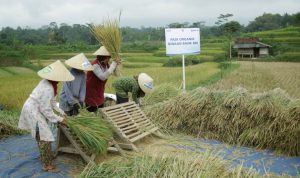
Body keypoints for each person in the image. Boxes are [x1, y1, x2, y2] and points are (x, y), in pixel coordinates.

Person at [18, 60, 74, 173]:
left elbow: (52, 102)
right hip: (33, 111)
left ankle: (45, 157)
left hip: (35, 109)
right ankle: (47, 165)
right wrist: (60, 119)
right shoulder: (48, 87)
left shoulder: (49, 83)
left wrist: (62, 113)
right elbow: (46, 110)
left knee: (42, 136)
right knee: (45, 137)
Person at [85, 46, 118, 112]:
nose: (108, 60)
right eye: (107, 58)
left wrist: (116, 65)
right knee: (93, 110)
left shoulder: (105, 64)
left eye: (109, 58)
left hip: (100, 91)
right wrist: (113, 65)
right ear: (102, 57)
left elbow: (112, 73)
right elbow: (103, 77)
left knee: (100, 109)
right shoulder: (94, 65)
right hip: (91, 92)